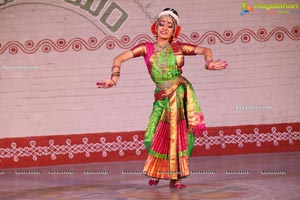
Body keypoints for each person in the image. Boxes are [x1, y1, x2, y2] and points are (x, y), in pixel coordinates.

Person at [97, 8, 227, 189]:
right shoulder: (146, 48)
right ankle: (159, 171)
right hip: (161, 97)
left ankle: (176, 177)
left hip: (179, 96)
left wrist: (209, 62)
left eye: (170, 25)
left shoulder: (179, 48)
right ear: (155, 27)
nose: (165, 28)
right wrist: (114, 79)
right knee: (151, 136)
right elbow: (118, 58)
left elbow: (206, 49)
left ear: (175, 31)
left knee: (177, 136)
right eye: (162, 24)